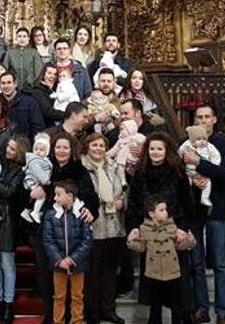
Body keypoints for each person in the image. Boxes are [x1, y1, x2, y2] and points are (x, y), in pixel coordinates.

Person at [129, 133, 197, 324]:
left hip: (174, 231)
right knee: (152, 282)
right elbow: (133, 202)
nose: (155, 152)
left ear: (166, 150)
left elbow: (187, 201)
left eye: (159, 148)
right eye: (152, 148)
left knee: (177, 283)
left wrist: (183, 228)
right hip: (149, 232)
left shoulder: (177, 171)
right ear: (147, 150)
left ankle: (179, 318)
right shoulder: (140, 172)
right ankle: (155, 318)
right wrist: (134, 226)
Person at [182, 105, 225, 324]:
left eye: (207, 116)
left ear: (214, 119)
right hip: (194, 209)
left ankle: (223, 312)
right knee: (196, 263)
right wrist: (194, 179)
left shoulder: (223, 144)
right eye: (199, 117)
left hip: (217, 208)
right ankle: (201, 308)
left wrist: (199, 164)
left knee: (220, 262)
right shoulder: (185, 145)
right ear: (194, 121)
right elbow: (179, 172)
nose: (203, 120)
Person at [127, 196, 196, 324]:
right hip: (154, 273)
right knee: (155, 305)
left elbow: (179, 246)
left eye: (166, 209)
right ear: (152, 214)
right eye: (162, 210)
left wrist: (189, 241)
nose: (166, 212)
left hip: (172, 272)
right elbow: (141, 248)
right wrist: (131, 241)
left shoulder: (172, 227)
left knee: (176, 304)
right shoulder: (144, 229)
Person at [81, 134, 127, 324]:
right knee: (93, 274)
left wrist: (122, 203)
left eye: (101, 145)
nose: (98, 148)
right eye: (94, 145)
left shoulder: (114, 166)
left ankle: (109, 310)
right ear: (87, 147)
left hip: (114, 226)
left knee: (110, 272)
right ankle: (93, 314)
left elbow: (125, 190)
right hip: (94, 226)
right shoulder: (83, 168)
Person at [0, 135, 26, 324]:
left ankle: (8, 303)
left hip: (8, 218)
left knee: (7, 263)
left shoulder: (19, 170)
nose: (8, 151)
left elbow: (9, 192)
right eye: (8, 147)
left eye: (12, 149)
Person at [42, 180, 93, 324]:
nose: (55, 198)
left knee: (77, 296)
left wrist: (72, 259)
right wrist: (59, 259)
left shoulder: (82, 213)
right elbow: (48, 240)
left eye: (58, 195)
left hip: (78, 264)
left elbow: (87, 240)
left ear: (69, 196)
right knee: (59, 296)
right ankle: (58, 321)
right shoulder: (51, 214)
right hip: (58, 264)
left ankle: (77, 321)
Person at [179, 125, 221, 210]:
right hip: (189, 172)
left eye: (204, 139)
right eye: (198, 139)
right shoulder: (186, 145)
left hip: (203, 173)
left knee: (208, 183)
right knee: (187, 183)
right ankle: (188, 197)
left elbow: (216, 156)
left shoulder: (209, 147)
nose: (202, 142)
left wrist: (214, 164)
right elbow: (179, 153)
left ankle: (204, 198)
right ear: (192, 140)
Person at [0, 72, 45, 138]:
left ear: (15, 84)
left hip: (23, 144)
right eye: (3, 83)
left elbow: (38, 126)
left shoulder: (29, 102)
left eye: (9, 82)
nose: (6, 86)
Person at [21, 132, 52, 223]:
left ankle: (27, 211)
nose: (38, 151)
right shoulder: (35, 161)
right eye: (36, 149)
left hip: (37, 181)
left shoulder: (44, 160)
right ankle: (35, 211)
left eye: (41, 150)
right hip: (32, 181)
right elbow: (39, 173)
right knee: (41, 196)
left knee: (36, 197)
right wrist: (46, 181)